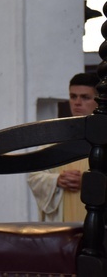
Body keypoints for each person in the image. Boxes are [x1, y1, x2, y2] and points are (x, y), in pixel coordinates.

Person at [27, 72, 100, 222]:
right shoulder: (55, 138)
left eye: (85, 97)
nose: (77, 102)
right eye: (73, 96)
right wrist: (57, 180)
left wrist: (89, 183)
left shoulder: (103, 138)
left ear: (99, 101)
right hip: (62, 226)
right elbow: (34, 177)